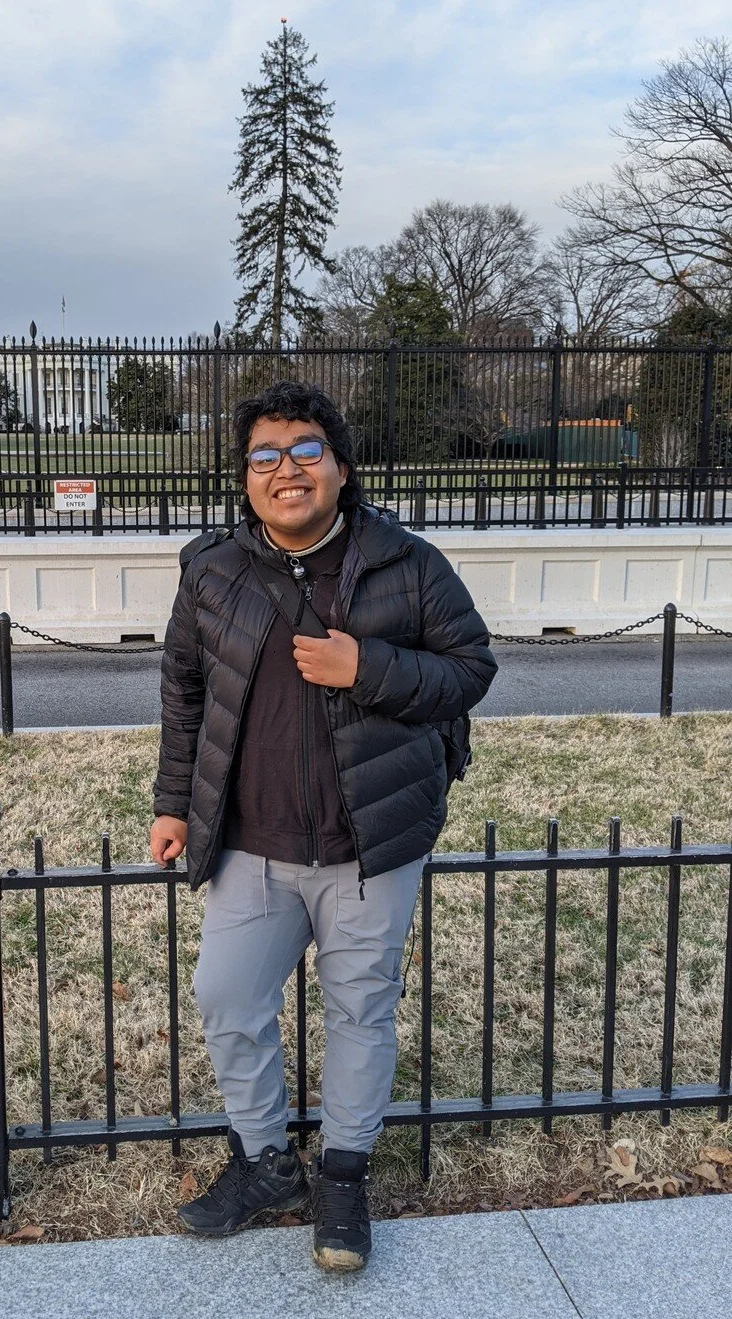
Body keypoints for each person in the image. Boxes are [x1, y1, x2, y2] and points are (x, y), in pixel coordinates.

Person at [150, 381, 497, 1272]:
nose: (286, 470)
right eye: (265, 457)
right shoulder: (212, 572)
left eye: (306, 451)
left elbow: (470, 669)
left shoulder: (407, 564)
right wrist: (172, 802)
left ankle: (343, 1175)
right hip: (251, 844)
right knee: (227, 999)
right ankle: (267, 1163)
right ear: (245, 479)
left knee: (360, 1014)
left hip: (371, 844)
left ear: (341, 468)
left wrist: (366, 666)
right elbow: (186, 696)